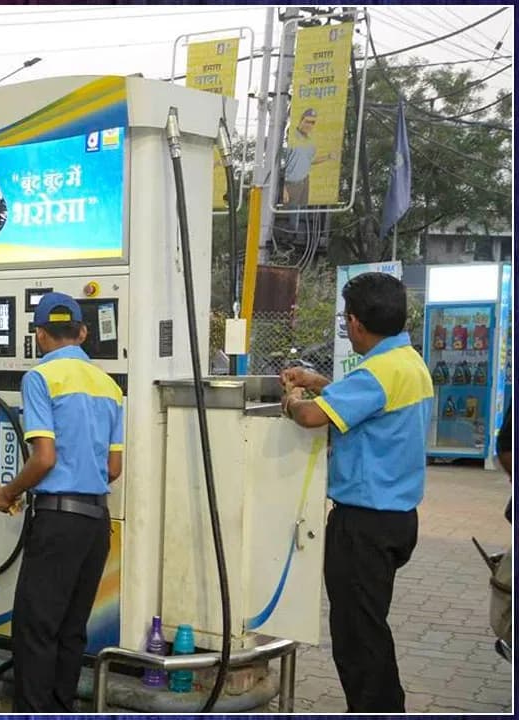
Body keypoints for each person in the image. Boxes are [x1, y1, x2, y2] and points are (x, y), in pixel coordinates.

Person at [280, 272, 433, 712]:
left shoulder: (379, 372)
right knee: (368, 625)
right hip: (397, 520)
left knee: (358, 636)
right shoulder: (407, 363)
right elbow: (368, 402)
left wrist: (292, 399)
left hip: (363, 524)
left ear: (355, 323)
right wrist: (317, 380)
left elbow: (311, 418)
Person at [0, 292, 122, 712]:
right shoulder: (109, 385)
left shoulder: (39, 378)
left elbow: (44, 457)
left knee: (35, 631)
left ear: (39, 335)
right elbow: (113, 467)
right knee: (70, 631)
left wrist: (7, 492)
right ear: (82, 332)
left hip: (58, 522)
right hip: (96, 524)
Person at [280, 108, 336, 208]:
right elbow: (280, 163)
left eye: (312, 122)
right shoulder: (290, 136)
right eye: (307, 121)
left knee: (301, 215)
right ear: (301, 120)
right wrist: (283, 189)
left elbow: (310, 161)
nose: (309, 125)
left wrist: (328, 157)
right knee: (290, 216)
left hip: (305, 182)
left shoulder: (310, 142)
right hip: (292, 184)